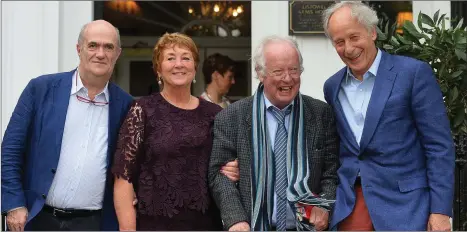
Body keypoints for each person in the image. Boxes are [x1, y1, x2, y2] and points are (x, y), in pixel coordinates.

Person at [322, 2, 455, 231]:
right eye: (339, 42)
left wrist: (441, 211)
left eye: (355, 37)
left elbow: (439, 147)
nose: (349, 48)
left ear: (372, 32)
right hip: (353, 206)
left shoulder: (413, 74)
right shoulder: (332, 87)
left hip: (408, 207)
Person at [1, 20, 133, 231]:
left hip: (93, 223)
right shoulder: (41, 89)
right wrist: (13, 203)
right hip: (36, 218)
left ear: (117, 53)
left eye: (108, 47)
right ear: (79, 49)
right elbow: (11, 150)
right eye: (93, 45)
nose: (100, 53)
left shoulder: (126, 105)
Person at [209, 35, 339, 231]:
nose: (287, 78)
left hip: (306, 227)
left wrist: (324, 207)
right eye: (278, 71)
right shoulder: (231, 117)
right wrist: (235, 219)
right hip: (252, 227)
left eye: (294, 70)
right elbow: (219, 175)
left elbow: (332, 171)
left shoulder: (321, 114)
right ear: (260, 74)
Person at [112, 32, 239, 231]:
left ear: (195, 68)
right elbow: (123, 178)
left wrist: (234, 167)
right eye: (170, 58)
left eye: (186, 58)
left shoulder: (215, 114)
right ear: (158, 70)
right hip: (155, 225)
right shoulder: (143, 110)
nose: (179, 64)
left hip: (206, 224)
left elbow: (225, 165)